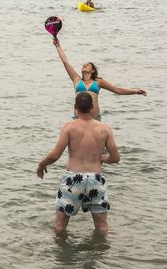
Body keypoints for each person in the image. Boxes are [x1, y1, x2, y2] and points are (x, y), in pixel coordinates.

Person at [37, 92, 120, 236]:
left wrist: (41, 164)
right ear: (92, 107)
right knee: (102, 227)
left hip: (73, 180)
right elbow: (115, 158)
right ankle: (101, 255)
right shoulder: (105, 129)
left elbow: (55, 155)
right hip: (95, 180)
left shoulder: (69, 127)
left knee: (60, 225)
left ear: (75, 107)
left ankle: (61, 256)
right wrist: (101, 158)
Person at [53, 38, 146, 120]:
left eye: (88, 65)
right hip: (78, 118)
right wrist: (58, 46)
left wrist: (135, 91)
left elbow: (117, 90)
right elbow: (65, 61)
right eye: (83, 65)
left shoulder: (98, 82)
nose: (84, 65)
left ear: (92, 70)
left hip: (94, 119)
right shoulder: (76, 79)